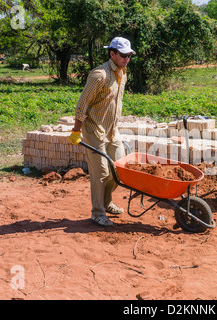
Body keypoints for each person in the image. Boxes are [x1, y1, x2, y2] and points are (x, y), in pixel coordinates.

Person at [69, 37, 136, 226]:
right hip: (94, 129)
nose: (126, 59)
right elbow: (82, 105)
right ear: (112, 54)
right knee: (100, 172)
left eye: (129, 55)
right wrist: (76, 130)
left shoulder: (123, 73)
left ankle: (106, 203)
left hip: (112, 130)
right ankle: (97, 213)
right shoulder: (99, 75)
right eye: (123, 55)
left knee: (120, 169)